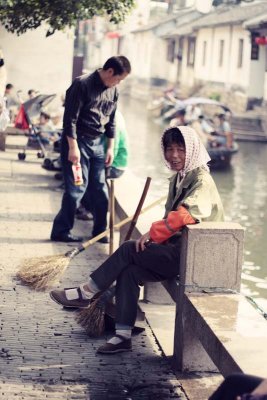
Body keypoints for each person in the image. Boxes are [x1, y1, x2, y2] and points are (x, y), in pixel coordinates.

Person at [50, 125, 224, 354]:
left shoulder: (201, 180)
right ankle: (123, 336)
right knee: (129, 271)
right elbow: (170, 220)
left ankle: (86, 292)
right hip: (175, 253)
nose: (173, 155)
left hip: (193, 258)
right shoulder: (179, 179)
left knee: (129, 248)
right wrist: (155, 241)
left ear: (191, 150)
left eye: (180, 149)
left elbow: (185, 215)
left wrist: (152, 234)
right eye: (169, 149)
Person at [50, 56, 131, 243]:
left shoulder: (113, 91)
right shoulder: (82, 84)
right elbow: (69, 120)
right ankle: (61, 231)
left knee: (100, 189)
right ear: (110, 71)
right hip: (77, 142)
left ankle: (99, 231)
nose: (118, 83)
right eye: (118, 79)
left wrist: (110, 148)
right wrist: (73, 148)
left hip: (98, 145)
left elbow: (111, 122)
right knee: (76, 189)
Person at [76, 109, 129, 221]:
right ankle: (84, 207)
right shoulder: (110, 115)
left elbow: (113, 149)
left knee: (90, 180)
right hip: (106, 160)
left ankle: (90, 211)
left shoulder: (115, 120)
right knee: (84, 173)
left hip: (115, 165)